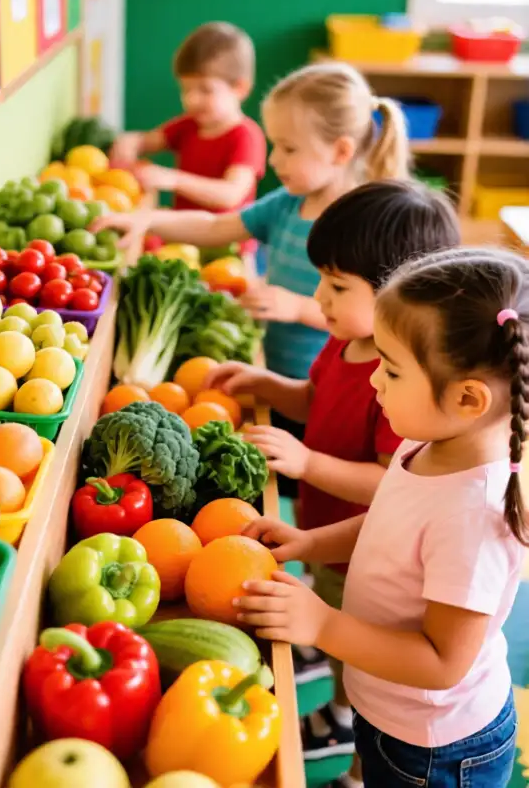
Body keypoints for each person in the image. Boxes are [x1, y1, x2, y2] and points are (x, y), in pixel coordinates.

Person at [236, 246, 528, 788]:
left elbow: (442, 662)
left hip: (439, 750)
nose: (374, 382)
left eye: (390, 370)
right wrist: (308, 542)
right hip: (390, 710)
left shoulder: (473, 518)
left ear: (468, 399)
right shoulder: (423, 443)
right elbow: (386, 524)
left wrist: (323, 624)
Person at [207, 180, 460, 786]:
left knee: (360, 641)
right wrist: (268, 385)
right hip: (329, 533)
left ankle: (345, 720)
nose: (316, 296)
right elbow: (315, 397)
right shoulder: (345, 342)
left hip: (368, 556)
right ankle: (341, 700)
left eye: (336, 286)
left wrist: (306, 464)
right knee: (336, 623)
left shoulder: (398, 384)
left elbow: (387, 484)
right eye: (321, 279)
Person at [92, 62, 411, 495]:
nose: (273, 159)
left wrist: (299, 307)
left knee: (317, 484)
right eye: (274, 145)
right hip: (287, 381)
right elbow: (215, 226)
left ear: (339, 151)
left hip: (337, 391)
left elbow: (382, 317)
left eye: (288, 148)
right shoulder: (287, 202)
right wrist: (147, 220)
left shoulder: (367, 229)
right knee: (297, 486)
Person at [109, 21, 267, 218]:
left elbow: (230, 194)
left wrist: (173, 180)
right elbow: (147, 140)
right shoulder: (188, 125)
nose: (192, 100)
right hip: (182, 239)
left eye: (205, 90)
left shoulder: (246, 136)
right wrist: (130, 142)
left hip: (227, 245)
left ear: (240, 88)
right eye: (186, 89)